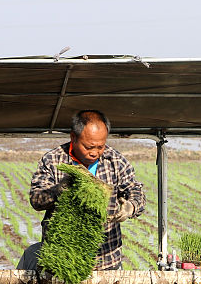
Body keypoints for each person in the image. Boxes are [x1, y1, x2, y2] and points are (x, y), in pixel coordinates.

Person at [29, 109, 145, 271]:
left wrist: (130, 206)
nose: (95, 153)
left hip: (106, 260)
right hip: (62, 260)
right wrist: (59, 189)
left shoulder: (115, 161)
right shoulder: (54, 160)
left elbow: (135, 190)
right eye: (89, 147)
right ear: (73, 137)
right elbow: (36, 199)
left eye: (100, 147)